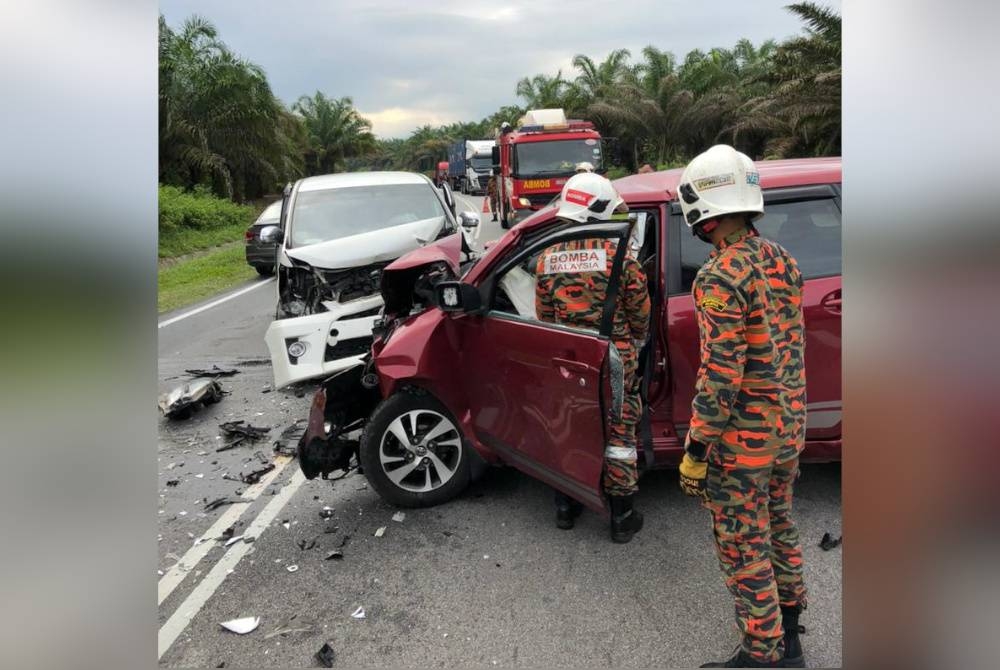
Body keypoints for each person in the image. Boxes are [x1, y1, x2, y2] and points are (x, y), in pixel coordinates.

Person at [675, 144, 808, 668]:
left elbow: (720, 377)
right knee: (779, 526)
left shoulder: (718, 277)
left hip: (741, 444)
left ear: (703, 207)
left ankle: (764, 654)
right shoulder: (783, 259)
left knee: (742, 546)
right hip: (787, 430)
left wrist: (696, 450)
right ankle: (791, 635)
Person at [534, 173, 651, 543]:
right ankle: (621, 517)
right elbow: (641, 317)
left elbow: (544, 319)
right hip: (615, 359)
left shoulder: (547, 258)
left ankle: (566, 507)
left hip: (567, 358)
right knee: (618, 433)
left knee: (570, 426)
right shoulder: (623, 259)